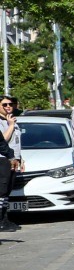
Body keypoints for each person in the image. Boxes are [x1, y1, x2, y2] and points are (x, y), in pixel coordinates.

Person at [0, 95, 21, 234]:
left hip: (13, 159)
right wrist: (11, 126)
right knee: (1, 191)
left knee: (7, 191)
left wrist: (20, 158)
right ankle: (1, 220)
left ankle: (4, 218)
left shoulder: (11, 119)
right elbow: (3, 140)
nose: (9, 107)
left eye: (11, 104)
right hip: (2, 159)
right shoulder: (4, 122)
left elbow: (16, 142)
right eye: (5, 105)